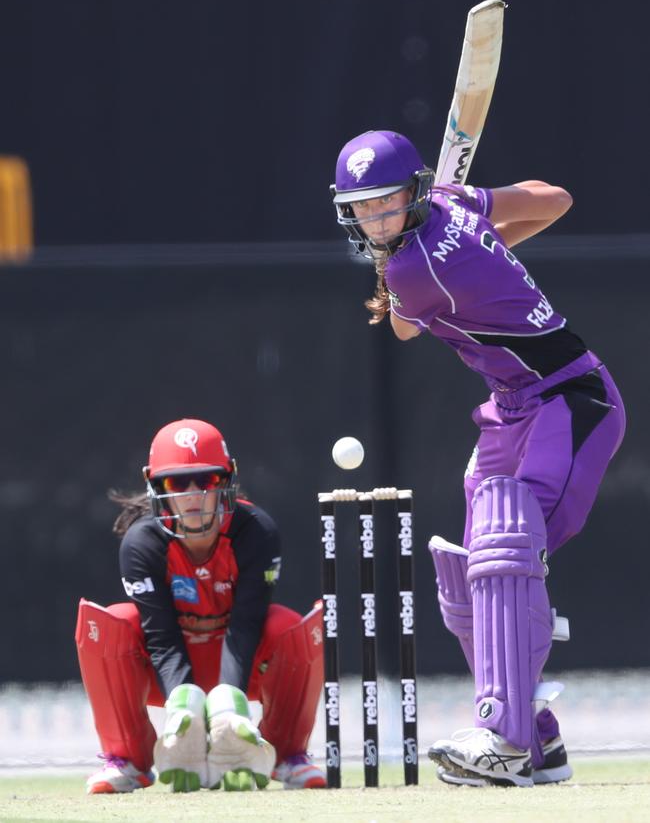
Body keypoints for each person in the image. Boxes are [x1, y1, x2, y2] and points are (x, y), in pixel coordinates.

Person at [331, 130, 626, 787]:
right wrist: (475, 225)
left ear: (412, 192)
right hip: (511, 405)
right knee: (469, 574)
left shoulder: (412, 270)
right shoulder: (456, 203)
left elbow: (404, 324)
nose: (373, 218)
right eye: (361, 207)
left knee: (506, 549)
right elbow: (554, 199)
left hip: (570, 398)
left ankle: (507, 739)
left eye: (386, 202)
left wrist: (455, 254)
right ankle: (538, 741)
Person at [76, 418, 325, 794]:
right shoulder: (142, 544)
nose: (192, 495)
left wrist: (227, 713)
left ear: (225, 481)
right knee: (112, 622)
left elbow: (246, 627)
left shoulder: (256, 531)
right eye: (178, 483)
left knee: (289, 626)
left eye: (205, 481)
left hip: (239, 662)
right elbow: (160, 639)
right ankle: (126, 760)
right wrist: (184, 711)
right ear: (157, 486)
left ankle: (286, 755)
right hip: (167, 674)